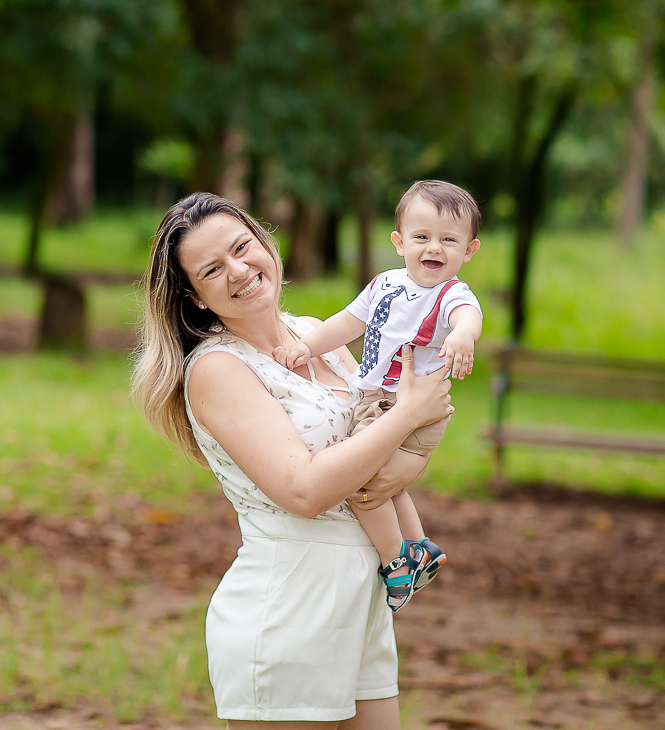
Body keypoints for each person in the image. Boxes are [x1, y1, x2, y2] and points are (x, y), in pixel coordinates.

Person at [131, 192, 453, 728]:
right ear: (196, 296)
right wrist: (410, 414)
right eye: (212, 269)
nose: (239, 270)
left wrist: (412, 460)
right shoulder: (217, 369)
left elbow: (368, 444)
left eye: (242, 247)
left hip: (361, 602)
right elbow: (303, 490)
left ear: (265, 242)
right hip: (289, 611)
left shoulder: (317, 335)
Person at [273, 181, 482, 612]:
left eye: (449, 240)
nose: (434, 248)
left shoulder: (451, 294)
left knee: (360, 483)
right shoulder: (385, 284)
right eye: (422, 237)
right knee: (379, 478)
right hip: (379, 399)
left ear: (469, 250)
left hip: (409, 404)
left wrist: (462, 336)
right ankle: (419, 545)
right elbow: (348, 323)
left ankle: (396, 563)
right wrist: (307, 346)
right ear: (399, 241)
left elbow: (468, 316)